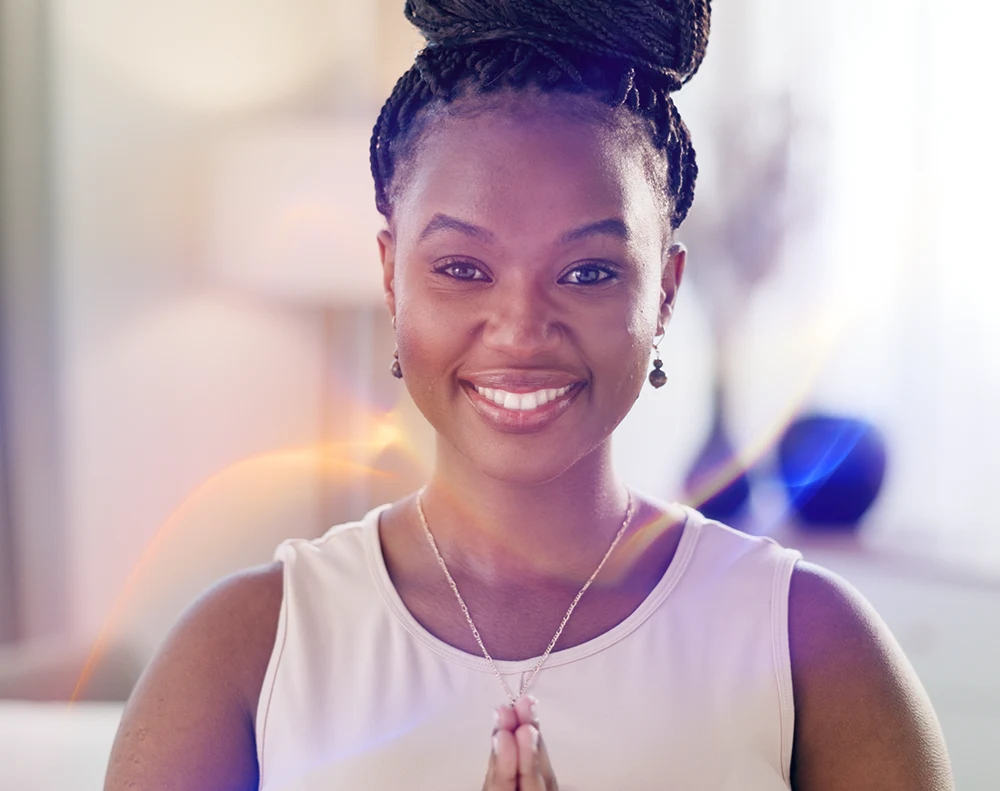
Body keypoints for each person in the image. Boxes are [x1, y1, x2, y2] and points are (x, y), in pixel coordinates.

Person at [104, 2, 955, 789]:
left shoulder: (814, 644)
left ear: (664, 291)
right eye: (463, 269)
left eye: (588, 271)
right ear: (391, 279)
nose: (519, 329)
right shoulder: (246, 651)